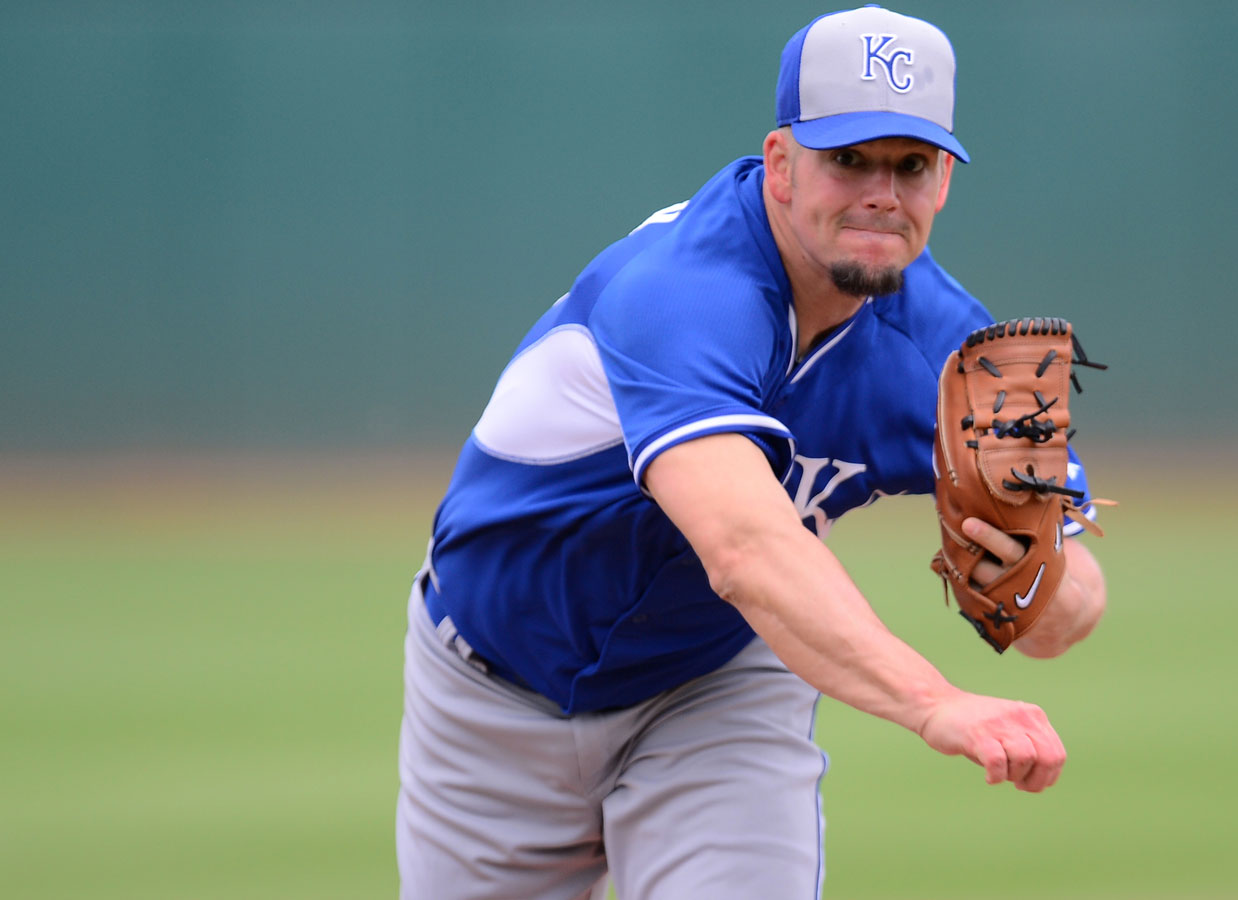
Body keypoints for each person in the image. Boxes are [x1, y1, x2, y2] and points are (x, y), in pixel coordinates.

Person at [396, 6, 1108, 899]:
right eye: (848, 159)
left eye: (911, 165)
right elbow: (745, 549)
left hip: (716, 686)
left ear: (943, 185)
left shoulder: (957, 356)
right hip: (491, 688)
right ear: (779, 164)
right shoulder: (680, 291)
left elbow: (1071, 607)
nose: (881, 192)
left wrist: (1031, 571)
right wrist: (935, 701)